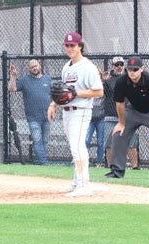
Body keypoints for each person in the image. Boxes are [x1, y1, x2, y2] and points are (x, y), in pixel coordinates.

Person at [47, 32, 105, 197]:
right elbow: (62, 93)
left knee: (77, 147)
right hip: (67, 112)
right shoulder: (67, 67)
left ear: (80, 46)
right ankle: (76, 182)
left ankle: (84, 185)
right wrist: (53, 104)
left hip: (81, 111)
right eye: (67, 45)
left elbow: (99, 91)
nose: (69, 48)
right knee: (75, 147)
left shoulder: (88, 67)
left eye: (72, 45)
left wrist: (77, 93)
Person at [105, 57, 149, 180]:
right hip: (133, 110)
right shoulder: (122, 81)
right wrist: (121, 123)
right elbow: (119, 103)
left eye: (135, 69)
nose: (132, 72)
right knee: (118, 134)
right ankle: (116, 171)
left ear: (142, 69)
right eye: (129, 69)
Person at [8, 59, 51, 165]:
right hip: (33, 118)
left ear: (39, 66)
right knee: (37, 140)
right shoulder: (25, 80)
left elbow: (54, 95)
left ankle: (41, 161)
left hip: (47, 116)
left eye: (35, 66)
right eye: (32, 67)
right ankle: (43, 162)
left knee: (45, 141)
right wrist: (13, 76)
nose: (34, 68)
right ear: (29, 69)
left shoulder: (48, 79)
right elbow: (12, 88)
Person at [103, 56, 140, 169]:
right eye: (116, 65)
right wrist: (103, 81)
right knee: (109, 144)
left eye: (121, 65)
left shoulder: (129, 78)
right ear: (112, 66)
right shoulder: (108, 79)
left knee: (131, 143)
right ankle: (111, 166)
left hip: (127, 116)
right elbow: (100, 94)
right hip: (111, 116)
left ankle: (135, 167)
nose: (119, 67)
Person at [85, 69, 106, 167]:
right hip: (90, 117)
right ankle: (84, 160)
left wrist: (105, 81)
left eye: (98, 74)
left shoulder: (104, 86)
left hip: (101, 117)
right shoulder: (88, 86)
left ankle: (99, 162)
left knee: (100, 141)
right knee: (86, 140)